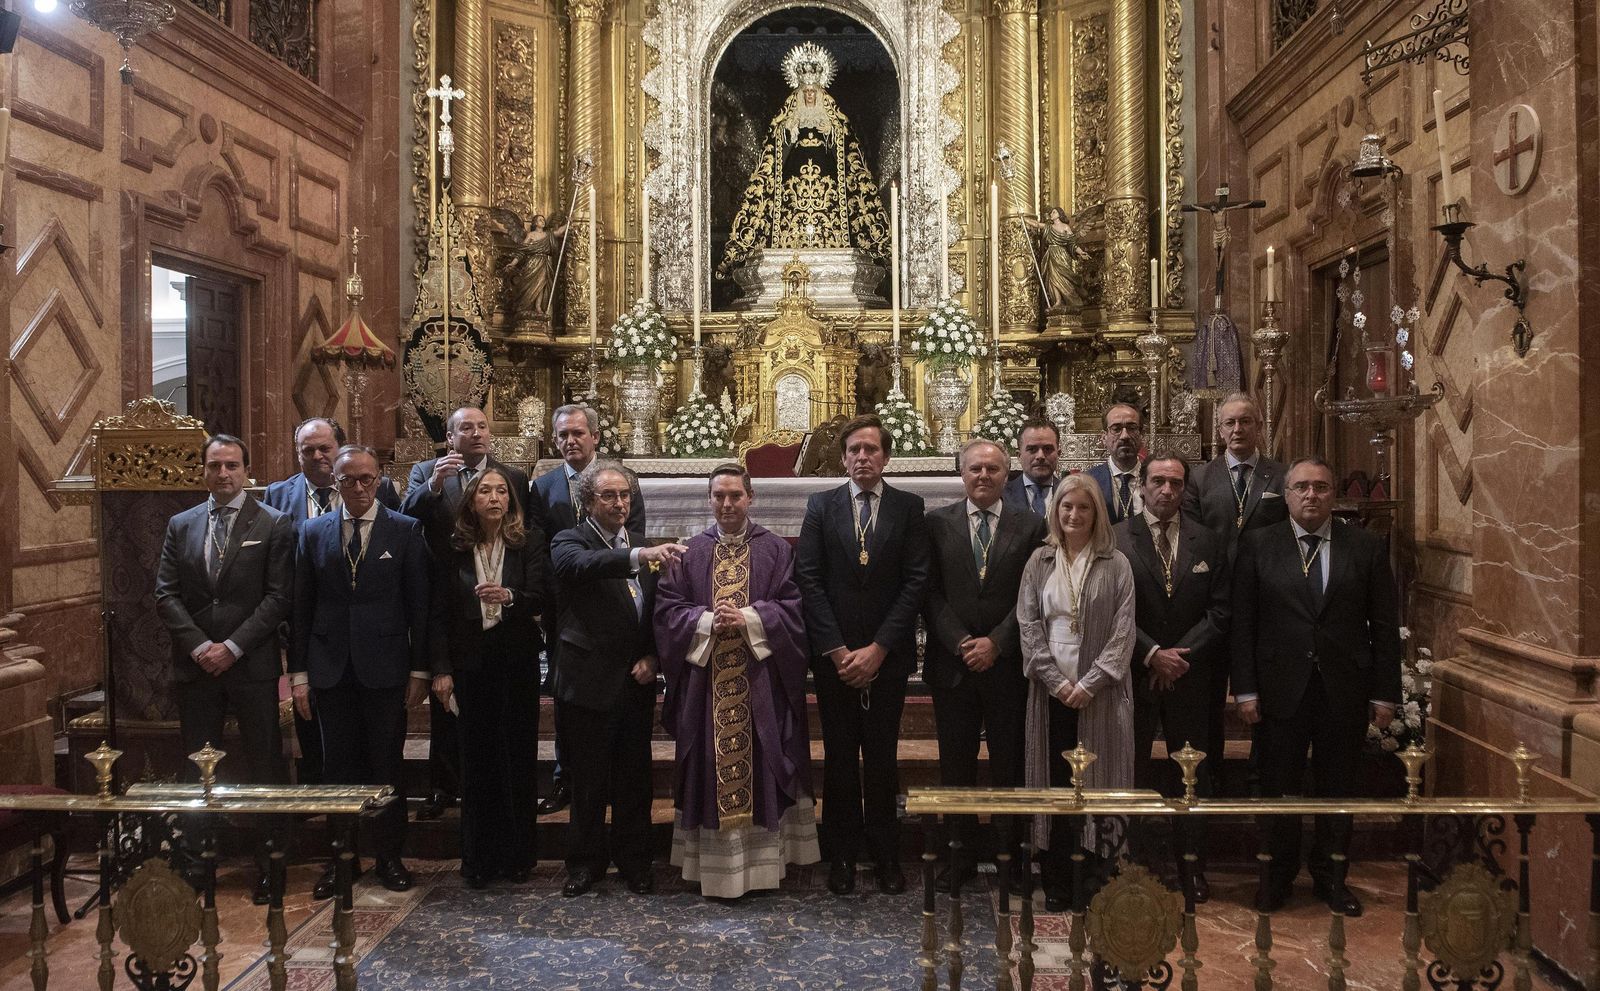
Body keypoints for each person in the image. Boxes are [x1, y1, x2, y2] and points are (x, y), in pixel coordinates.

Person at [1232, 456, 1401, 917]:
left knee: (1339, 789)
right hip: (1278, 690)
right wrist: (1245, 690)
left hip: (1343, 689)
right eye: (1302, 487)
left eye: (1321, 487)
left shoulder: (1364, 547)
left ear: (1334, 495)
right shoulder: (1258, 545)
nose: (1311, 495)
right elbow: (1243, 623)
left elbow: (1385, 626)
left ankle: (1332, 877)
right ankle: (1277, 876)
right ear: (1287, 495)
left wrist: (1385, 693)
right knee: (1276, 788)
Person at [654, 464, 819, 898]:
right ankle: (717, 869)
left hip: (760, 681)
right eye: (719, 496)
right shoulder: (689, 552)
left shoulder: (776, 550)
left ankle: (763, 868)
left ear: (751, 497)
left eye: (735, 496)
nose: (727, 504)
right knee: (708, 762)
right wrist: (706, 621)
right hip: (707, 686)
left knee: (764, 759)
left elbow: (794, 608)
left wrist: (749, 618)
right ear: (709, 499)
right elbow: (667, 611)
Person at [154, 434, 293, 905]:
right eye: (215, 465)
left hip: (250, 663)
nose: (223, 473)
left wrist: (232, 647)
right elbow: (166, 593)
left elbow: (278, 597)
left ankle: (270, 863)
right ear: (203, 471)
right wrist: (199, 647)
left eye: (232, 465)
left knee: (264, 763)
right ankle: (197, 861)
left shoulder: (273, 523)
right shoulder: (181, 524)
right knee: (198, 763)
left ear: (246, 471)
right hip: (197, 668)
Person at [794, 414, 930, 896]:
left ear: (886, 457)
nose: (863, 457)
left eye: (872, 449)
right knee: (839, 757)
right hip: (835, 659)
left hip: (886, 656)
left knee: (881, 756)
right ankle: (843, 854)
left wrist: (878, 649)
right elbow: (808, 578)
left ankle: (886, 852)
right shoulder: (821, 505)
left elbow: (916, 581)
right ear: (843, 457)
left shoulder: (909, 507)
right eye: (854, 450)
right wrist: (836, 650)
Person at [290, 445, 433, 898]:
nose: (358, 487)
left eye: (366, 479)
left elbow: (420, 606)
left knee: (387, 763)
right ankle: (342, 859)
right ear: (335, 481)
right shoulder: (312, 532)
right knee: (337, 767)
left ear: (379, 480)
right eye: (348, 479)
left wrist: (421, 669)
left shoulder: (405, 530)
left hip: (386, 667)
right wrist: (298, 675)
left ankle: (389, 856)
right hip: (330, 667)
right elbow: (301, 607)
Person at [549, 461, 686, 897]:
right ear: (588, 501)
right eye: (608, 495)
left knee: (634, 780)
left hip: (634, 681)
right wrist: (637, 556)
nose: (619, 503)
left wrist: (653, 656)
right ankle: (585, 863)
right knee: (588, 782)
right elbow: (582, 566)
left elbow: (657, 612)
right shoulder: (569, 541)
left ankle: (635, 861)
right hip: (588, 681)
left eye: (625, 495)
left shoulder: (642, 545)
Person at [923, 439, 1046, 892]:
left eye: (993, 469)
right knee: (955, 765)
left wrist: (996, 642)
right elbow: (929, 592)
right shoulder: (936, 523)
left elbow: (1034, 594)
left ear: (1006, 474)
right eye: (975, 468)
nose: (983, 476)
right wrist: (960, 642)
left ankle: (1008, 856)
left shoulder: (1030, 525)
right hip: (953, 666)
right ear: (961, 473)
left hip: (1007, 665)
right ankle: (959, 857)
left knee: (1008, 765)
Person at [1112, 453, 1230, 902]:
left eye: (1176, 483)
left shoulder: (1208, 541)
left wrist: (1177, 657)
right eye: (1158, 481)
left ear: (1185, 489)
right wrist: (1151, 654)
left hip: (1191, 677)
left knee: (1192, 773)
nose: (1166, 490)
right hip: (1134, 674)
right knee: (1131, 771)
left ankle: (1191, 865)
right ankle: (1128, 861)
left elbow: (1220, 611)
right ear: (1141, 485)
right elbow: (1110, 610)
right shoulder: (1116, 538)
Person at [402, 406, 529, 821]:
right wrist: (434, 485)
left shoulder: (512, 477)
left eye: (482, 426)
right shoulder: (427, 471)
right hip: (447, 585)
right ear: (450, 437)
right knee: (447, 707)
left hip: (498, 600)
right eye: (466, 427)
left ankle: (496, 796)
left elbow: (521, 534)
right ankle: (443, 785)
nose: (476, 433)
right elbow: (406, 516)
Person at [1017, 474, 1137, 912]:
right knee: (1055, 784)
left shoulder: (1116, 563)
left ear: (1096, 513)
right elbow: (1028, 624)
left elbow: (1124, 631)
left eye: (1083, 507)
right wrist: (1056, 681)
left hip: (1099, 694)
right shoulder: (1040, 560)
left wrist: (1090, 683)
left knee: (1098, 782)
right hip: (1051, 696)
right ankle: (1056, 880)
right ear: (1055, 511)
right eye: (1066, 506)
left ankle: (1095, 877)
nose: (1073, 514)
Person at [428, 469, 547, 888]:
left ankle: (517, 857)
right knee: (476, 761)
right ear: (471, 501)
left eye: (501, 491)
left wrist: (510, 596)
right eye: (485, 491)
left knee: (517, 756)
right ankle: (478, 858)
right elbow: (439, 613)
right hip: (470, 663)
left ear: (511, 501)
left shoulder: (528, 542)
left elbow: (541, 594)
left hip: (515, 661)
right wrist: (441, 669)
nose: (494, 498)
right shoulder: (454, 547)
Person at [263, 416, 398, 786]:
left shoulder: (380, 488)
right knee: (314, 727)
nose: (317, 456)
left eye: (325, 448)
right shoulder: (277, 495)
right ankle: (316, 796)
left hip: (371, 637)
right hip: (308, 626)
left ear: (340, 448)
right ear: (297, 453)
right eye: (308, 450)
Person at [528, 404, 646, 815]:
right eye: (562, 435)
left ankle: (609, 786)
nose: (570, 441)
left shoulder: (622, 482)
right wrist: (555, 600)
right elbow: (541, 551)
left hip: (619, 614)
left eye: (578, 433)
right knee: (573, 712)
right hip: (569, 616)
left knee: (624, 736)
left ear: (595, 436)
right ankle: (567, 779)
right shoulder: (544, 488)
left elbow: (633, 541)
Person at [1181, 392, 1286, 552]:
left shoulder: (1282, 475)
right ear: (1220, 431)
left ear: (1259, 427)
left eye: (1245, 421)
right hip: (1217, 565)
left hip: (1267, 564)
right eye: (1230, 423)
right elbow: (1192, 534)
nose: (1237, 429)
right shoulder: (1199, 478)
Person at [1082, 403, 1145, 525]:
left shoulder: (1154, 479)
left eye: (1132, 428)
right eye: (1116, 429)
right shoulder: (1088, 481)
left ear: (1142, 435)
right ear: (1104, 437)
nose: (1125, 436)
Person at [1003, 418, 1062, 517]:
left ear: (1058, 454)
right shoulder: (1002, 495)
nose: (1040, 456)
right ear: (1019, 456)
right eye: (1032, 449)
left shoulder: (1071, 493)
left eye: (1047, 449)